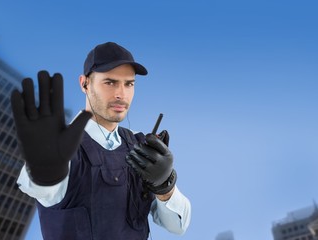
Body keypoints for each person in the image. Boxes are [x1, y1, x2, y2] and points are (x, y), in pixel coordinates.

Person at [11, 42, 191, 240]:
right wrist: (45, 169)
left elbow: (177, 226)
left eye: (129, 84)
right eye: (110, 82)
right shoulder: (62, 149)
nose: (121, 94)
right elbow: (39, 185)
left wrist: (165, 186)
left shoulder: (140, 147)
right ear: (84, 83)